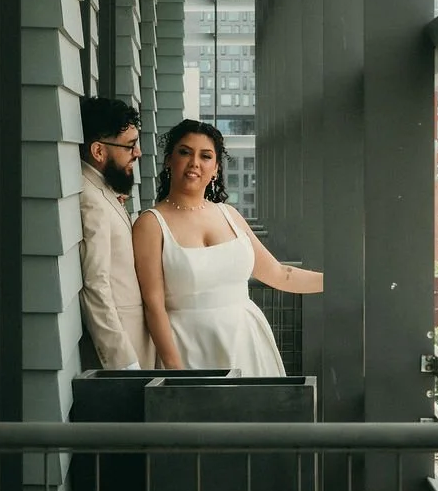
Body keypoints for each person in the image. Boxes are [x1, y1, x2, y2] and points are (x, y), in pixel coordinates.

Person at [132, 119, 323, 375]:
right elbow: (153, 305)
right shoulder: (151, 224)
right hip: (187, 347)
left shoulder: (229, 214)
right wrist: (175, 372)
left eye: (206, 156)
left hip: (246, 341)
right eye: (185, 152)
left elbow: (278, 274)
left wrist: (336, 283)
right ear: (169, 160)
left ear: (216, 168)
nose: (194, 163)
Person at [78, 96, 156, 370]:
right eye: (130, 145)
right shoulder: (90, 198)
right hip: (125, 350)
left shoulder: (103, 189)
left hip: (138, 340)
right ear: (98, 151)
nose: (138, 153)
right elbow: (95, 284)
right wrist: (123, 361)